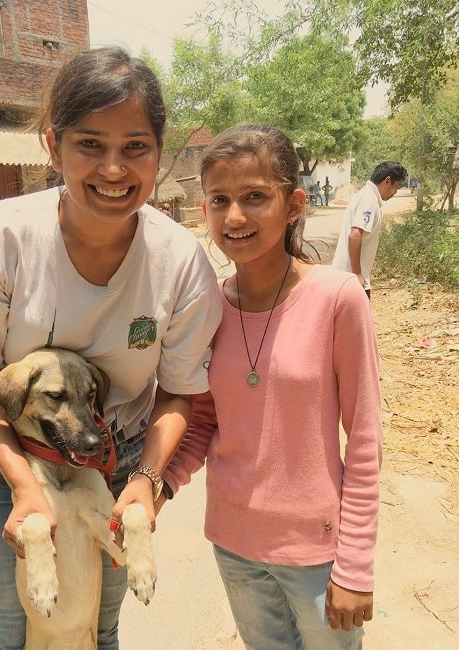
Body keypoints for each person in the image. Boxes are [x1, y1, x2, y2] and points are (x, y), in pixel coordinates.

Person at [0, 46, 222, 650]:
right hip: (8, 460)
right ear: (52, 145)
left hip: (116, 464)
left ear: (158, 153)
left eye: (135, 146)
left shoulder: (178, 262)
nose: (114, 169)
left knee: (98, 626)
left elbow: (177, 392)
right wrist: (22, 485)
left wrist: (147, 478)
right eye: (90, 144)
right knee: (13, 633)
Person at [159, 124, 383, 650]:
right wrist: (156, 486)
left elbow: (366, 441)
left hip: (316, 553)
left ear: (294, 205)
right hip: (234, 545)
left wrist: (354, 567)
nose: (235, 216)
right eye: (220, 200)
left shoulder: (337, 298)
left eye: (255, 197)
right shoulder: (207, 306)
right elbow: (204, 422)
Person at [332, 161, 407, 298]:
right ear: (387, 181)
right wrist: (357, 274)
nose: (395, 192)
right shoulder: (369, 200)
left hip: (345, 278)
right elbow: (355, 235)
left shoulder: (366, 196)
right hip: (351, 280)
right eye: (396, 186)